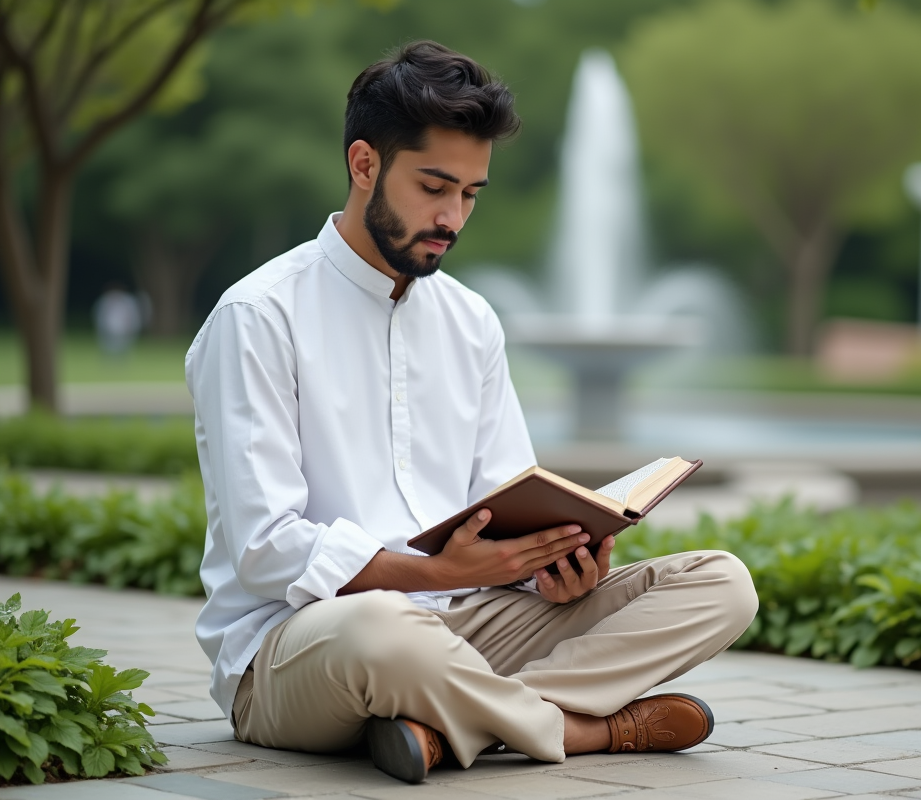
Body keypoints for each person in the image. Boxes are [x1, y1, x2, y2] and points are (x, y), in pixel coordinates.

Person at [185, 40, 758, 785]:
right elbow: (265, 547)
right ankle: (588, 730)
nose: (452, 217)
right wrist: (433, 573)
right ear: (364, 165)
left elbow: (502, 499)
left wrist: (551, 567)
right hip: (304, 647)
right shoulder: (259, 316)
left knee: (721, 585)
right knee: (385, 628)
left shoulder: (471, 320)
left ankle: (443, 727)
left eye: (471, 194)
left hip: (466, 628)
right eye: (434, 187)